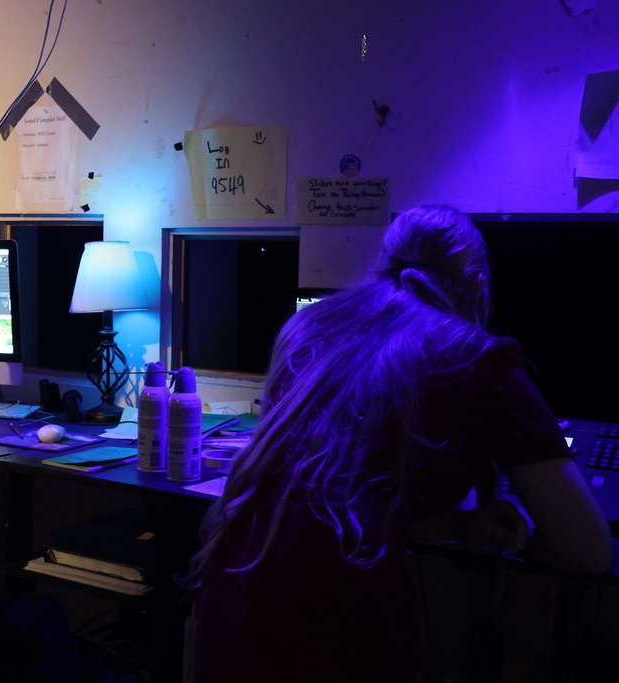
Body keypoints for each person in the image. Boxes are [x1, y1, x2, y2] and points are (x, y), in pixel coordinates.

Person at [192, 205, 612, 682]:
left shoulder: (308, 326)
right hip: (341, 615)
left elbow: (342, 496)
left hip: (236, 581)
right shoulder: (475, 356)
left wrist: (459, 525)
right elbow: (589, 552)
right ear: (477, 282)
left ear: (383, 264)